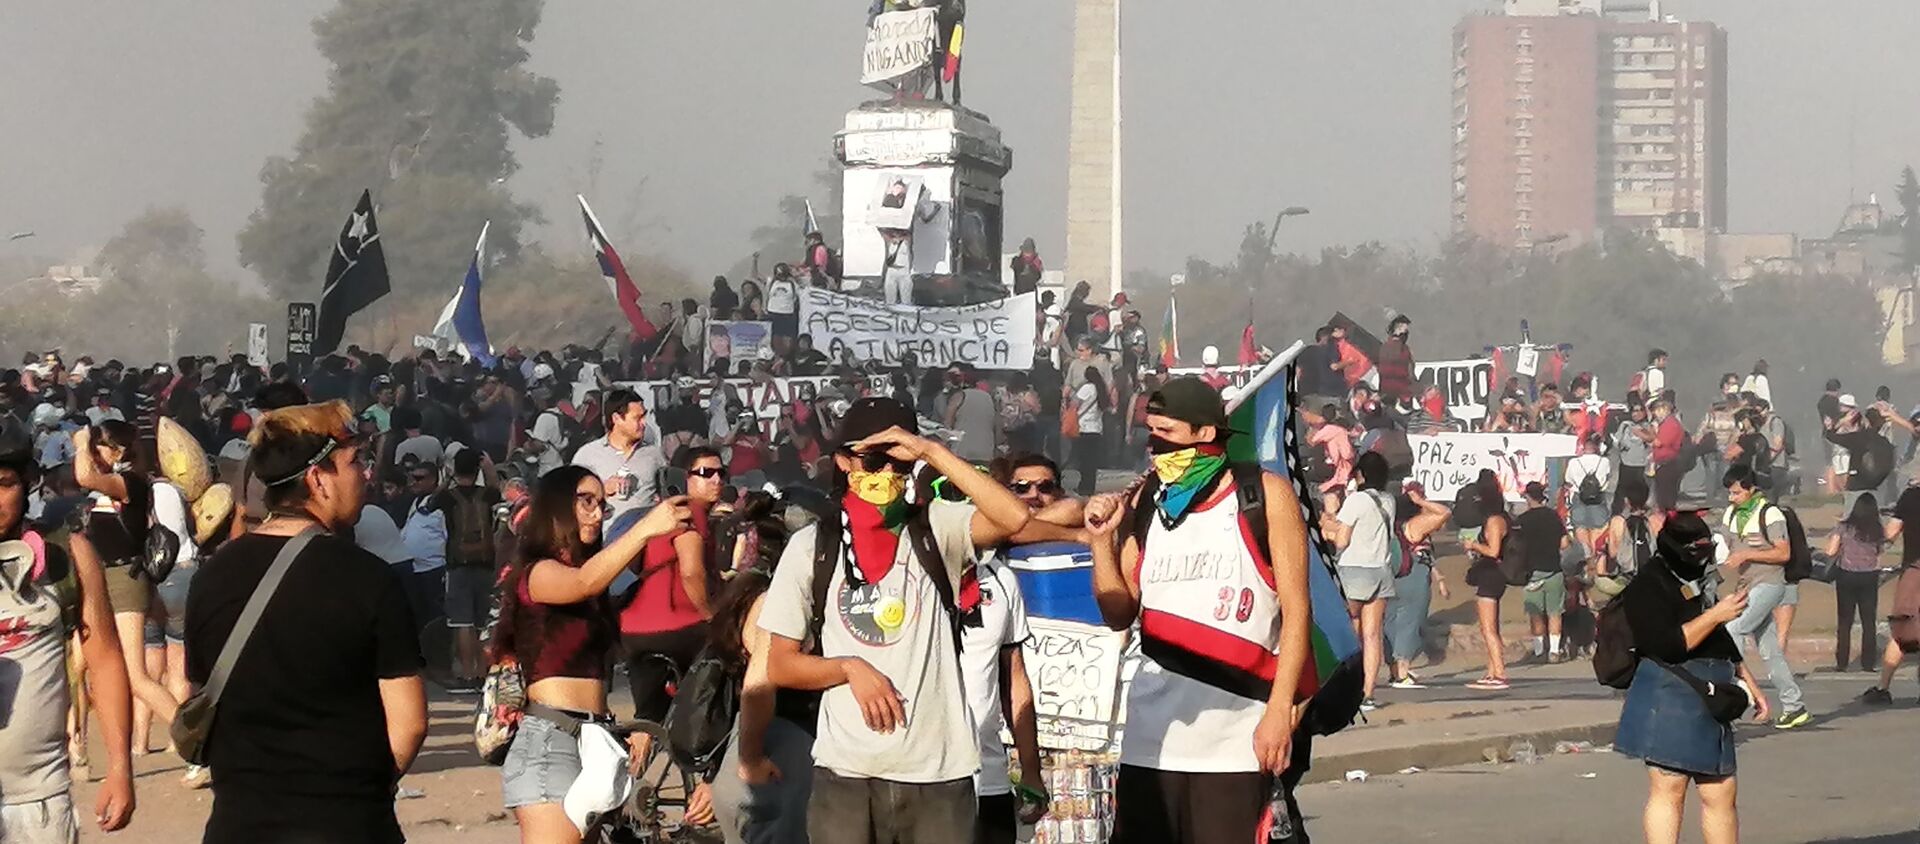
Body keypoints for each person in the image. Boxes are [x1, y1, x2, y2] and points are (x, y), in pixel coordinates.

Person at [758, 397, 1032, 844]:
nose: (886, 475)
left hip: (938, 773)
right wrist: (849, 668)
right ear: (845, 461)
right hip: (845, 774)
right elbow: (780, 665)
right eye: (874, 461)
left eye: (898, 464)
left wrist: (930, 452)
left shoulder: (936, 527)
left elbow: (1015, 517)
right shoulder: (813, 546)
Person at [1082, 377, 1315, 843]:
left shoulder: (1263, 495)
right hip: (1151, 742)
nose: (1153, 447)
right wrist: (1101, 542)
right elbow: (1118, 613)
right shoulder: (1147, 504)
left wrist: (1278, 712)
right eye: (1149, 433)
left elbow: (1296, 613)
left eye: (1165, 433)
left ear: (1204, 434)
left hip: (1235, 740)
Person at [186, 400, 428, 842]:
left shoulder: (210, 578)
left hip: (239, 826)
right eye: (354, 462)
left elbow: (200, 695)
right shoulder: (368, 578)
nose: (366, 474)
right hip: (346, 825)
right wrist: (360, 790)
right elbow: (409, 723)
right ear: (318, 479)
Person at [494, 464, 694, 843]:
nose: (597, 513)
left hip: (594, 739)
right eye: (585, 501)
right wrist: (647, 527)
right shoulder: (536, 574)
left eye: (601, 503)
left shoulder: (592, 576)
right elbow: (585, 582)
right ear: (556, 506)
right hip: (551, 740)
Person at [0, 418, 136, 841]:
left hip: (38, 802)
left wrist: (119, 768)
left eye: (4, 484)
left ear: (27, 484)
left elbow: (106, 658)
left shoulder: (65, 556)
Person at [1612, 513, 1767, 844]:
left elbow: (1719, 638)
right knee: (1670, 786)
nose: (1703, 555)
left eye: (1707, 546)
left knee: (1721, 790)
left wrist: (1749, 681)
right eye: (1697, 549)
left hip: (1711, 689)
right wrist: (1716, 614)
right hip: (1669, 688)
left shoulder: (1702, 578)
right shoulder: (1648, 584)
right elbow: (1665, 644)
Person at [705, 493, 818, 844]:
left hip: (746, 744)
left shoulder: (741, 599)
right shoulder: (775, 604)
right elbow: (760, 682)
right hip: (780, 750)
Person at [71, 422, 181, 734]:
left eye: (99, 448)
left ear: (118, 450)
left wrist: (81, 445)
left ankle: (197, 741)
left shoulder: (130, 482)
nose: (93, 455)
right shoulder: (110, 486)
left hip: (124, 577)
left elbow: (83, 475)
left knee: (137, 677)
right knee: (85, 667)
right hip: (106, 578)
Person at [617, 447, 723, 724]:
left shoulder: (657, 515)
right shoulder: (689, 511)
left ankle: (635, 761)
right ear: (683, 477)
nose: (717, 480)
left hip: (635, 630)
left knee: (647, 719)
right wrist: (710, 616)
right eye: (705, 473)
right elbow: (691, 573)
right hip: (681, 627)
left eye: (720, 473)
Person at [1718, 465, 1809, 729]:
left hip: (1770, 584)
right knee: (1771, 650)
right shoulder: (1731, 514)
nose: (1731, 498)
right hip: (1746, 586)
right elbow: (1722, 546)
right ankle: (1794, 706)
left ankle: (1735, 700)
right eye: (1729, 493)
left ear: (1751, 488)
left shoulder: (1769, 514)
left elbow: (1783, 554)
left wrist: (1747, 554)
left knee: (1732, 632)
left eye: (1736, 493)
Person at [1326, 453, 1395, 709]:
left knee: (1348, 633)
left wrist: (1327, 527)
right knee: (1373, 635)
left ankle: (1345, 687)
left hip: (1354, 570)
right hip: (1381, 570)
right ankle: (1368, 692)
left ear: (1361, 474)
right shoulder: (1388, 500)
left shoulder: (1356, 500)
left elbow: (1342, 541)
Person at [438, 449, 502, 692]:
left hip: (458, 563)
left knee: (462, 621)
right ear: (477, 470)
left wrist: (448, 477)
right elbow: (498, 490)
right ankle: (484, 672)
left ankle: (467, 675)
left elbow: (434, 499)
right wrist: (490, 470)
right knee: (484, 621)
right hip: (486, 563)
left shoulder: (449, 497)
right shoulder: (487, 494)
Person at [572, 389, 667, 542]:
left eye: (644, 416)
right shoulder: (587, 455)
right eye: (638, 418)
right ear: (616, 418)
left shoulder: (654, 454)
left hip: (646, 542)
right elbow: (572, 499)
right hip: (604, 542)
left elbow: (666, 494)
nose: (644, 423)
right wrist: (602, 490)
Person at [1387, 481, 1450, 689]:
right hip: (1413, 576)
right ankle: (1402, 674)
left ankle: (1394, 670)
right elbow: (1444, 512)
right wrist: (1421, 500)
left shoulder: (1388, 525)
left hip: (1392, 575)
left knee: (1391, 623)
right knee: (1410, 623)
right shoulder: (1415, 525)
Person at [1461, 472, 1512, 690]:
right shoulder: (1504, 518)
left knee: (1488, 628)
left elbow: (1493, 550)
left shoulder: (1494, 521)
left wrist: (1474, 546)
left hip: (1491, 575)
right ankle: (1492, 670)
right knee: (1492, 627)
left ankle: (1499, 673)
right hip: (1496, 575)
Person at [1825, 492, 1885, 672]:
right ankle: (1868, 663)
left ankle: (1842, 662)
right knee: (1869, 621)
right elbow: (1879, 552)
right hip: (1869, 576)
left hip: (1846, 575)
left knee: (1844, 621)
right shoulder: (1877, 529)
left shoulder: (1844, 527)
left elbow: (1830, 551)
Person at [1515, 481, 1571, 662]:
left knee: (1535, 613)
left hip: (1532, 572)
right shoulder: (1553, 516)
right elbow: (1564, 544)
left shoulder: (1522, 521)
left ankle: (1539, 651)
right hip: (1554, 569)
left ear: (1527, 497)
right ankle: (1554, 651)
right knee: (1555, 612)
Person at [943, 364, 1000, 464]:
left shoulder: (958, 397)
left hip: (962, 452)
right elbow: (998, 426)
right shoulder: (989, 397)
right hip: (985, 453)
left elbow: (948, 425)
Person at [1566, 433, 1613, 556]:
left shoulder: (1573, 462)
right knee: (1597, 528)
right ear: (1597, 447)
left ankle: (1587, 558)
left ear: (1583, 447)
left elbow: (1568, 480)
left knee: (1580, 527)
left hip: (1579, 497)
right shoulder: (1604, 461)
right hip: (1598, 498)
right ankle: (1596, 556)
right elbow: (1608, 477)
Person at [1067, 366, 1109, 497]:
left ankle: (1083, 487)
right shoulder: (1101, 389)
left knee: (1083, 460)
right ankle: (1090, 487)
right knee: (1091, 460)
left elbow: (1075, 403)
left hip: (1084, 427)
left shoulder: (1087, 388)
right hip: (1096, 428)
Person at [1649, 398, 1687, 512]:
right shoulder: (1665, 424)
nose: (1655, 414)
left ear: (1665, 409)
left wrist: (1644, 434)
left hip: (1668, 463)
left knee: (1666, 497)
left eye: (1657, 410)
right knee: (1662, 495)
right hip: (1663, 463)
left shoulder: (1670, 424)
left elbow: (1660, 442)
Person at [1375, 316, 1414, 406]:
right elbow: (1389, 370)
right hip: (1397, 392)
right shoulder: (1393, 348)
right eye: (1405, 329)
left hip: (1395, 391)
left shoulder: (1389, 347)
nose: (1406, 333)